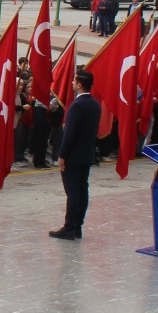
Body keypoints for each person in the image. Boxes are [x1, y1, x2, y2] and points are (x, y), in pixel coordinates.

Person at [50, 69, 99, 240]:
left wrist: (62, 155)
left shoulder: (77, 106)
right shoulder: (94, 104)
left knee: (72, 192)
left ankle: (69, 226)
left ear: (79, 85)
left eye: (73, 81)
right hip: (86, 154)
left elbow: (69, 133)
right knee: (82, 189)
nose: (71, 83)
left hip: (73, 155)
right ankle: (78, 225)